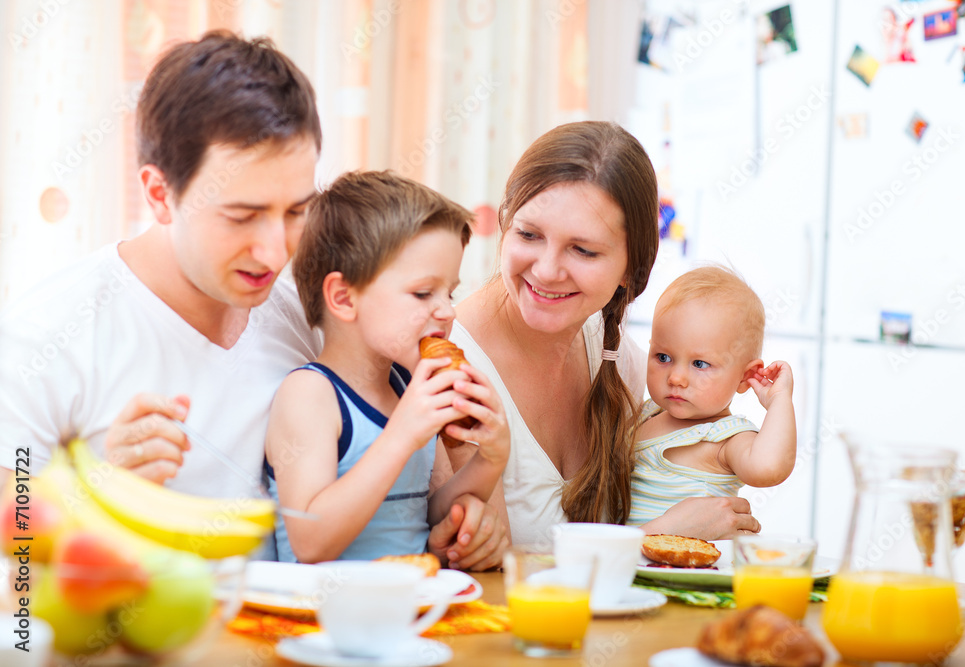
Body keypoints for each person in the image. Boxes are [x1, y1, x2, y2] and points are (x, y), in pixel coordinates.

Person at [0, 31, 503, 569]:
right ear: (158, 194)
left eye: (294, 212)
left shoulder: (303, 320)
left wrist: (472, 522)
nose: (274, 250)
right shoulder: (45, 336)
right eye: (242, 215)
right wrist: (97, 494)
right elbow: (17, 579)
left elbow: (401, 499)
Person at [438, 121, 762, 549]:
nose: (547, 270)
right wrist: (657, 536)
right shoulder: (448, 367)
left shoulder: (618, 360)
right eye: (528, 234)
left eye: (583, 250)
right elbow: (484, 569)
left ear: (632, 268)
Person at [265, 171, 510, 564]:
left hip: (411, 607)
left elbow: (428, 515)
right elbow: (309, 543)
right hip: (324, 616)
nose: (447, 310)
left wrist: (490, 459)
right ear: (344, 298)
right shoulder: (311, 396)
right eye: (422, 293)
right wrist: (401, 435)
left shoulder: (406, 388)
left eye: (450, 292)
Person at [626, 265, 796, 526]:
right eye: (663, 357)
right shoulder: (646, 414)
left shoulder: (725, 437)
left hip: (695, 566)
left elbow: (769, 469)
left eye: (699, 364)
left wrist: (779, 401)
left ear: (744, 376)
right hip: (633, 558)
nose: (676, 378)